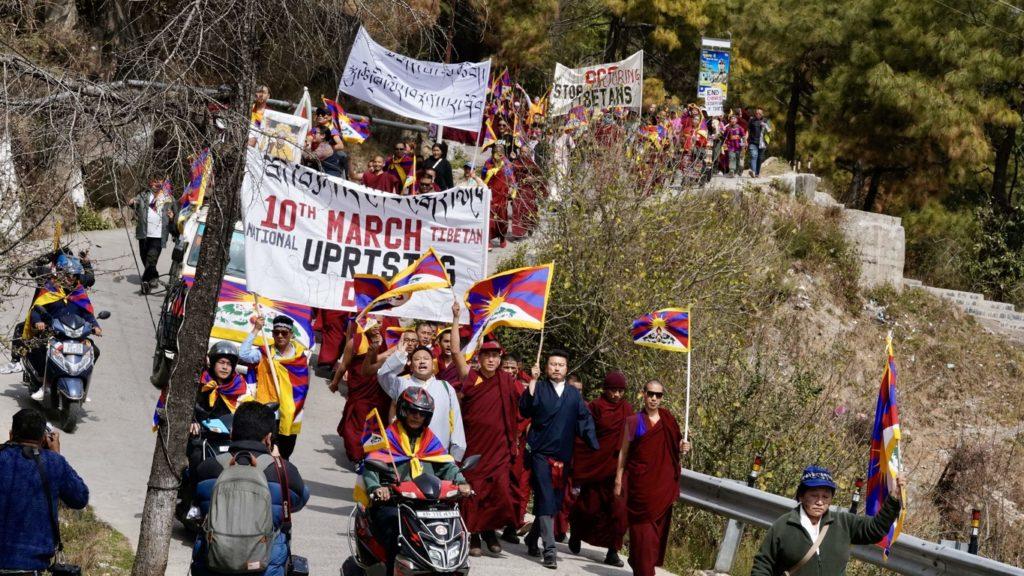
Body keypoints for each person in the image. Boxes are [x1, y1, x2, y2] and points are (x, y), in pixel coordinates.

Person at [191, 402, 309, 576]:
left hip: (214, 563)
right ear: (269, 438)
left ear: (231, 433)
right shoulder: (283, 471)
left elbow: (197, 502)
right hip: (265, 567)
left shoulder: (208, 468)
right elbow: (301, 499)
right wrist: (278, 462)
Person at [362, 388, 471, 575]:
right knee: (395, 532)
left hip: (427, 501)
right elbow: (371, 466)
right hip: (395, 501)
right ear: (403, 410)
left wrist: (461, 481)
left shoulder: (430, 440)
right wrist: (377, 488)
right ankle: (391, 570)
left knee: (452, 531)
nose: (416, 416)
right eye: (412, 411)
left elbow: (446, 465)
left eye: (422, 413)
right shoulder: (386, 437)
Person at [449, 307, 520, 557]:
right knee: (474, 489)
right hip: (475, 446)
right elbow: (456, 351)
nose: (491, 360)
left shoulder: (508, 381)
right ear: (479, 358)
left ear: (500, 359)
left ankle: (490, 530)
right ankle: (475, 535)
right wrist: (457, 319)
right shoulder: (472, 377)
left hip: (499, 447)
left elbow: (524, 407)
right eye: (487, 355)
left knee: (499, 489)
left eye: (495, 356)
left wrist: (534, 381)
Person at [519, 349, 599, 569]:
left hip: (563, 456)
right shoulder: (540, 387)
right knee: (545, 496)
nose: (556, 368)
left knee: (553, 502)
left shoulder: (573, 395)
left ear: (567, 368)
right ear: (546, 367)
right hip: (540, 454)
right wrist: (533, 382)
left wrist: (593, 443)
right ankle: (550, 550)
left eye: (560, 365)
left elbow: (584, 419)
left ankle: (531, 537)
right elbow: (525, 409)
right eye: (552, 364)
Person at [751, 466, 905, 576]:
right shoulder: (784, 526)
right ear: (801, 496)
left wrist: (893, 499)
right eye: (814, 495)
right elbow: (762, 565)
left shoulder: (844, 523)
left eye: (825, 496)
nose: (820, 502)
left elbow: (876, 530)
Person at [615, 380, 690, 576]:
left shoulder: (668, 421)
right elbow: (624, 452)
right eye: (650, 394)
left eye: (658, 395)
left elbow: (675, 451)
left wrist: (684, 447)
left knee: (654, 537)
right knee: (642, 534)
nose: (654, 398)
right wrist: (618, 478)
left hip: (661, 488)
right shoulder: (634, 421)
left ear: (662, 397)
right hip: (640, 488)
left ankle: (638, 562)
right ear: (644, 394)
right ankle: (644, 570)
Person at [0, 409, 88, 573]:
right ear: (42, 438)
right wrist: (56, 454)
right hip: (30, 567)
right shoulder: (54, 462)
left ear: (11, 435)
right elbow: (80, 497)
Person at [568, 371, 632, 567]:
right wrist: (587, 459)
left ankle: (613, 551)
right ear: (605, 390)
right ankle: (577, 533)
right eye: (613, 390)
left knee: (619, 512)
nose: (616, 395)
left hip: (618, 469)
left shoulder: (627, 410)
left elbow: (633, 437)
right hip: (597, 467)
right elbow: (584, 435)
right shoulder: (596, 407)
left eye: (620, 391)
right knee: (589, 507)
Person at [377, 331, 466, 460]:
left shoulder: (446, 387)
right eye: (417, 359)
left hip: (437, 453)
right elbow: (383, 375)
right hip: (404, 452)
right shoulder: (402, 384)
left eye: (426, 359)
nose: (422, 362)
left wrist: (457, 454)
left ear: (433, 364)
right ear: (411, 366)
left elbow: (456, 420)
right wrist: (399, 355)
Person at [239, 315, 309, 460]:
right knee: (265, 449)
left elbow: (302, 385)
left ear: (291, 334)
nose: (280, 336)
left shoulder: (299, 357)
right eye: (276, 332)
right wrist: (256, 329)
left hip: (290, 410)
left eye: (284, 333)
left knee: (285, 451)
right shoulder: (264, 353)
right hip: (268, 409)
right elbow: (243, 354)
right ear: (272, 334)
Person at [332, 322, 394, 465]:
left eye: (379, 322)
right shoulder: (356, 342)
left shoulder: (388, 340)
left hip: (379, 391)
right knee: (356, 425)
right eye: (373, 322)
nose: (377, 326)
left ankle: (373, 455)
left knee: (376, 425)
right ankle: (358, 455)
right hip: (360, 391)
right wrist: (335, 383)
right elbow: (343, 366)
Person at [128, 178, 177, 291]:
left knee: (151, 258)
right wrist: (132, 203)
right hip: (144, 233)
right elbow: (135, 204)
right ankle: (153, 277)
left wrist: (172, 217)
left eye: (159, 182)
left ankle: (145, 282)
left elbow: (175, 215)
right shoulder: (143, 195)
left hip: (158, 235)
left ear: (163, 183)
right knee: (144, 257)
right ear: (150, 182)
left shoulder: (168, 198)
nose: (157, 184)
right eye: (154, 181)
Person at [747, 109, 771, 177]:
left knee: (759, 158)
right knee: (753, 156)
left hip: (762, 143)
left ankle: (757, 173)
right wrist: (746, 139)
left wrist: (765, 125)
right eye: (756, 113)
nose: (758, 114)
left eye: (759, 113)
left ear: (762, 114)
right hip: (753, 142)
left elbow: (770, 130)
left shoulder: (766, 120)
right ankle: (753, 171)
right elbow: (748, 130)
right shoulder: (752, 120)